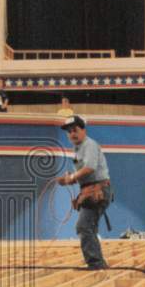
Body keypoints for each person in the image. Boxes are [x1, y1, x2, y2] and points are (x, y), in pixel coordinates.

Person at [58, 115, 111, 269]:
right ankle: (97, 262)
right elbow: (84, 172)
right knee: (88, 227)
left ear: (83, 130)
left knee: (83, 226)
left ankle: (96, 264)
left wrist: (72, 177)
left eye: (75, 130)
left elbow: (90, 168)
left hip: (98, 189)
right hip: (91, 189)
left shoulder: (89, 145)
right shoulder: (78, 148)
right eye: (69, 132)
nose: (72, 134)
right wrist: (67, 180)